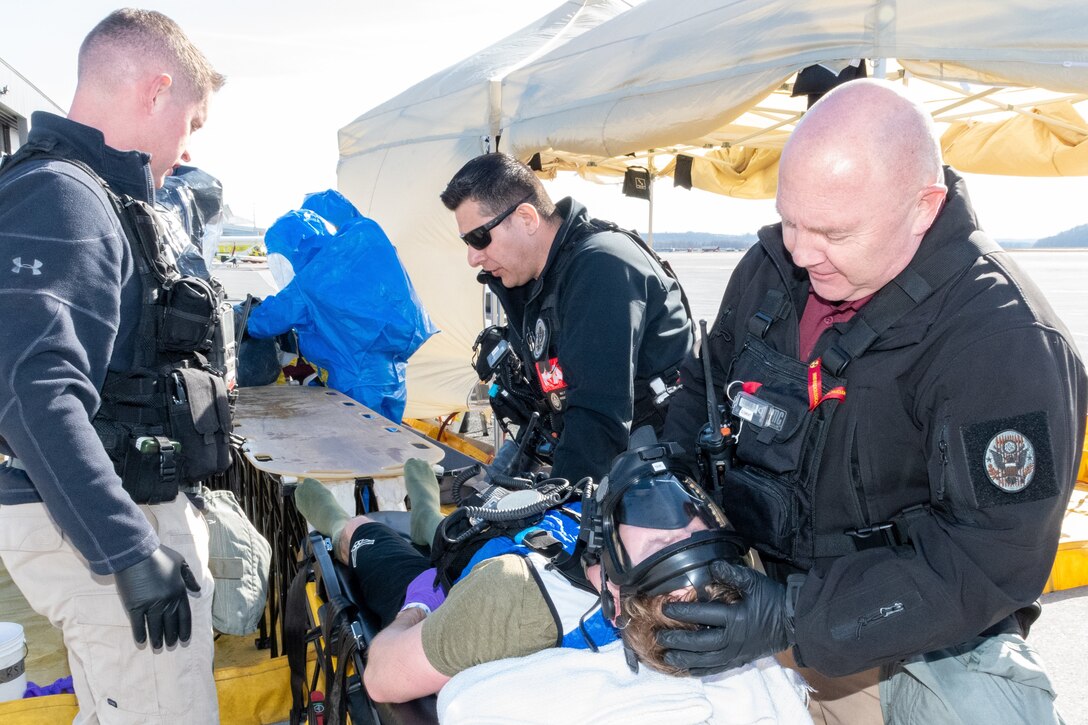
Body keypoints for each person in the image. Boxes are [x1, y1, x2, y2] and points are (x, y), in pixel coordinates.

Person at [660, 78, 1087, 723]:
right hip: (754, 586)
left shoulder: (1002, 342)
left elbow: (991, 559)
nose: (802, 253)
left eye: (831, 231)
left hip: (904, 634)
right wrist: (657, 482)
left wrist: (791, 616)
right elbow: (706, 385)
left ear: (923, 207)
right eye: (790, 221)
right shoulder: (772, 268)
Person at [0, 9, 226, 723]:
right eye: (191, 123)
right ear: (156, 91)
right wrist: (126, 549)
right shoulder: (63, 195)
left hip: (104, 518)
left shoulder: (87, 194)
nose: (186, 151)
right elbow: (31, 389)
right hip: (104, 529)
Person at [292, 438, 761, 706]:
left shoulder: (514, 602)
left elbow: (382, 678)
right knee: (441, 528)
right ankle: (427, 513)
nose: (680, 515)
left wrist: (418, 605)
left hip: (453, 579)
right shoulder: (712, 575)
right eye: (703, 536)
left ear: (619, 596)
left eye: (664, 544)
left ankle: (365, 516)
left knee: (360, 533)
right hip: (507, 530)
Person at [440, 152, 693, 483]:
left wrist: (558, 515)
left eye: (479, 237)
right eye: (466, 241)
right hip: (592, 451)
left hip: (654, 473)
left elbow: (597, 420)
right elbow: (552, 399)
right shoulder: (536, 283)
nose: (473, 257)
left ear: (527, 218)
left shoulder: (601, 267)